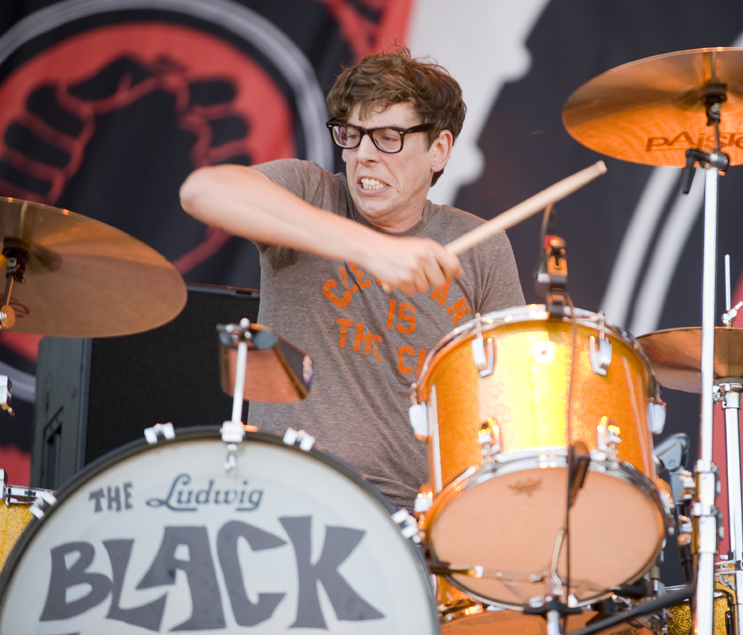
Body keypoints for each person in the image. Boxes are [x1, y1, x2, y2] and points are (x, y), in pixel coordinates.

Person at [180, 47, 525, 510]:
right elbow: (202, 191)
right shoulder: (310, 192)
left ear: (439, 150)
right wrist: (371, 249)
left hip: (412, 519)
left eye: (388, 138)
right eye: (352, 135)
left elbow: (513, 398)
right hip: (284, 493)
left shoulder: (482, 246)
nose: (363, 155)